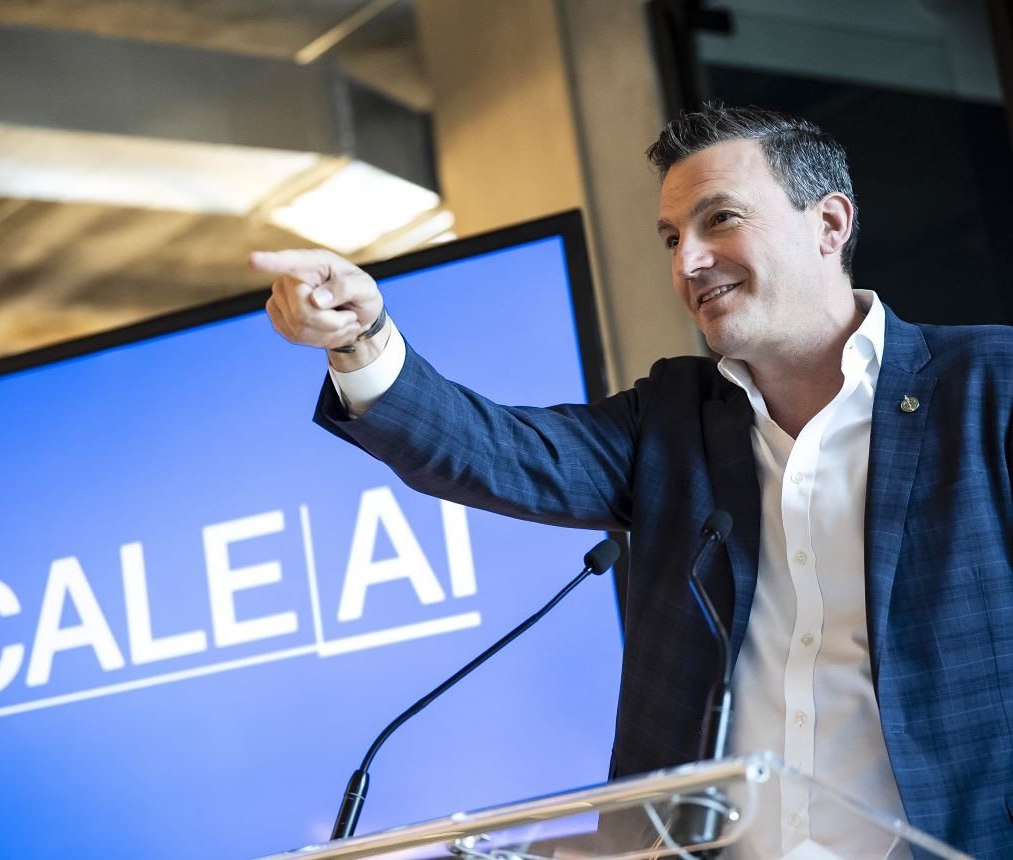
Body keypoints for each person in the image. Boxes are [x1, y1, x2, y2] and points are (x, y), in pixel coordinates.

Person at [250, 104, 1013, 858]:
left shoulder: (989, 385)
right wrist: (362, 337)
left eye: (720, 220)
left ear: (830, 224)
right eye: (673, 237)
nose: (688, 262)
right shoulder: (675, 419)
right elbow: (494, 451)